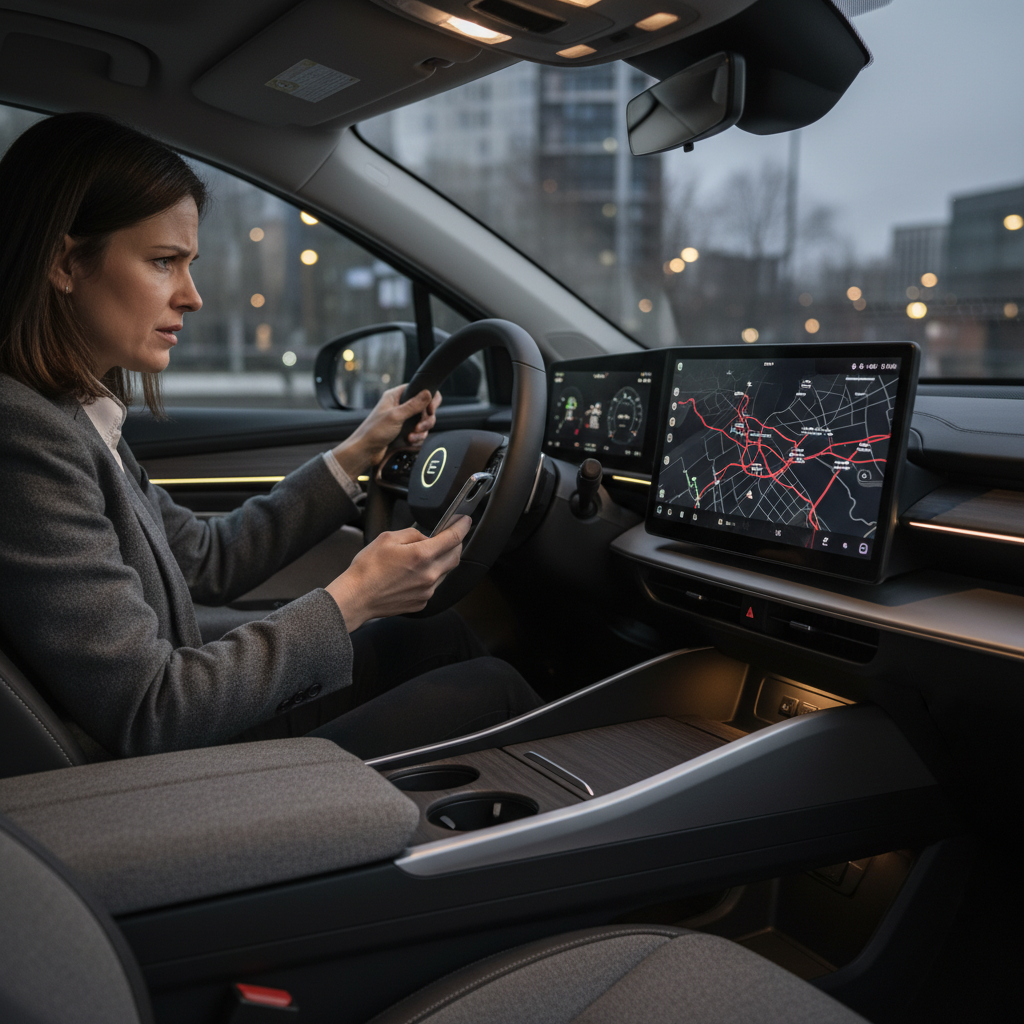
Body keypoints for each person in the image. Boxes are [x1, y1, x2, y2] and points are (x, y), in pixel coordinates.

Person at [0, 112, 541, 762]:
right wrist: (354, 598)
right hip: (153, 780)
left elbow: (204, 559)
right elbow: (153, 711)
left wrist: (359, 451)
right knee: (493, 689)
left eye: (188, 264)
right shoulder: (26, 436)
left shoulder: (76, 415)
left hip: (180, 732)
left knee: (435, 635)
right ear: (65, 262)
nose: (193, 296)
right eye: (164, 262)